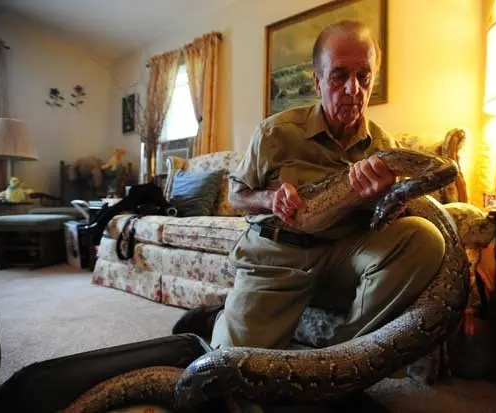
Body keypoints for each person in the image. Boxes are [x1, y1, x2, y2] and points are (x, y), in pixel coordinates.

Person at [173, 20, 445, 350]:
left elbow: (386, 222)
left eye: (364, 76)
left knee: (424, 238)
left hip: (344, 254)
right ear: (317, 82)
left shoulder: (384, 147)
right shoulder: (276, 133)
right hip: (279, 254)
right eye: (339, 75)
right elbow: (236, 195)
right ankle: (221, 319)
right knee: (229, 368)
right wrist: (271, 199)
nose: (353, 90)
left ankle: (345, 355)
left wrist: (384, 199)